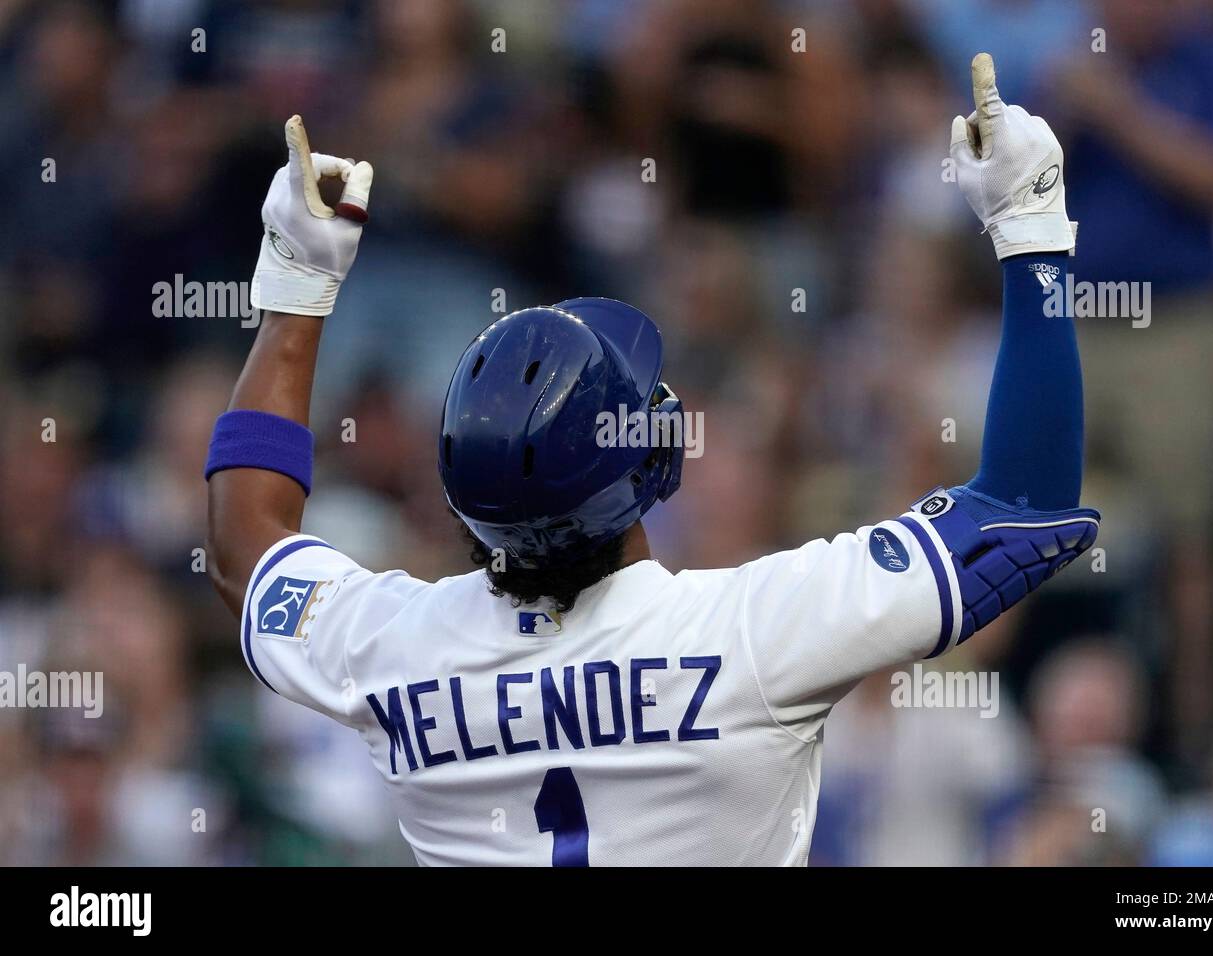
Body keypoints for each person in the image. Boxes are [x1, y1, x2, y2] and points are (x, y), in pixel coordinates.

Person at [204, 55, 1098, 866]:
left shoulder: (394, 651)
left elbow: (246, 543)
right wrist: (1029, 229)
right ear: (647, 473)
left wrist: (295, 282)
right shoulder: (754, 634)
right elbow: (1027, 509)